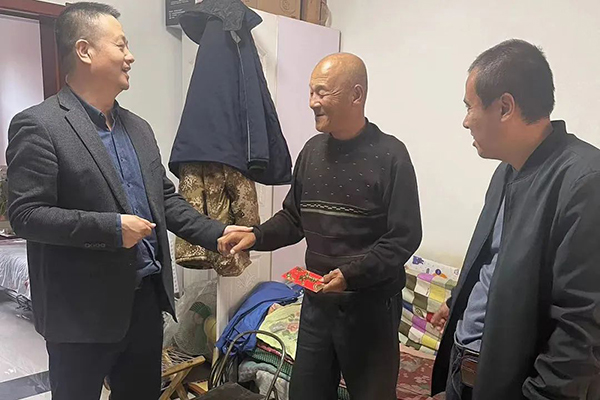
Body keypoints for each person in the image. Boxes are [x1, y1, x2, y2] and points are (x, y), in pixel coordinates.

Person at [6, 3, 249, 399]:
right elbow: (26, 215)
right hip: (80, 315)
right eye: (121, 45)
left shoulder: (138, 128)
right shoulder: (40, 125)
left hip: (144, 304)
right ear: (84, 51)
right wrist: (112, 229)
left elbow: (164, 200)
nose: (130, 56)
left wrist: (217, 233)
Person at [218, 53, 422, 400]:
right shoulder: (312, 152)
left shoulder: (391, 156)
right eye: (311, 92)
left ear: (356, 95)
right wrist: (255, 235)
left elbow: (404, 237)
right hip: (317, 304)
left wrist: (350, 275)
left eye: (322, 92)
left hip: (369, 309)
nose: (312, 102)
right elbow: (294, 218)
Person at [430, 39, 600, 400]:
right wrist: (459, 301)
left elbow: (581, 326)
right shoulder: (507, 171)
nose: (465, 121)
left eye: (469, 106)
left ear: (505, 107)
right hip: (468, 369)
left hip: (515, 385)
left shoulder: (585, 181)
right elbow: (497, 262)